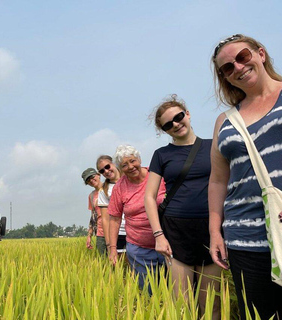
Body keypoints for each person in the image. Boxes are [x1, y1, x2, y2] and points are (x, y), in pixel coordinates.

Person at [209, 34, 282, 320]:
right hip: (243, 238)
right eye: (228, 67)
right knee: (257, 314)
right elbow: (217, 180)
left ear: (260, 54)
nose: (238, 67)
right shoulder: (225, 121)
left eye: (242, 57)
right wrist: (216, 231)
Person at [144, 94, 221, 318]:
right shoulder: (162, 155)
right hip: (176, 231)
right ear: (164, 131)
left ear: (187, 114)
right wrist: (158, 234)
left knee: (211, 304)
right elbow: (150, 197)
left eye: (178, 117)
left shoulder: (214, 146)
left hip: (211, 229)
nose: (176, 124)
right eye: (168, 124)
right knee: (182, 303)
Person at [108, 145, 166, 291]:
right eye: (124, 165)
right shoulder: (119, 188)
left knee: (175, 290)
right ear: (120, 168)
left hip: (168, 243)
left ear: (139, 159)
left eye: (133, 161)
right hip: (139, 248)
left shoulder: (158, 176)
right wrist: (113, 249)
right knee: (149, 292)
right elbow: (114, 218)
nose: (130, 167)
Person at [96, 155, 127, 255]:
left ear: (113, 163)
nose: (106, 171)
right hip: (119, 233)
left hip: (137, 229)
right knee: (122, 266)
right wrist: (109, 245)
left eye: (107, 166)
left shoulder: (130, 179)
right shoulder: (103, 191)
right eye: (102, 171)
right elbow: (105, 219)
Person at [81, 168, 105, 255]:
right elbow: (93, 217)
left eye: (92, 177)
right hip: (101, 232)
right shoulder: (91, 196)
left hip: (116, 230)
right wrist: (89, 236)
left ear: (99, 175)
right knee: (103, 261)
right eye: (88, 180)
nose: (91, 180)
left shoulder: (111, 188)